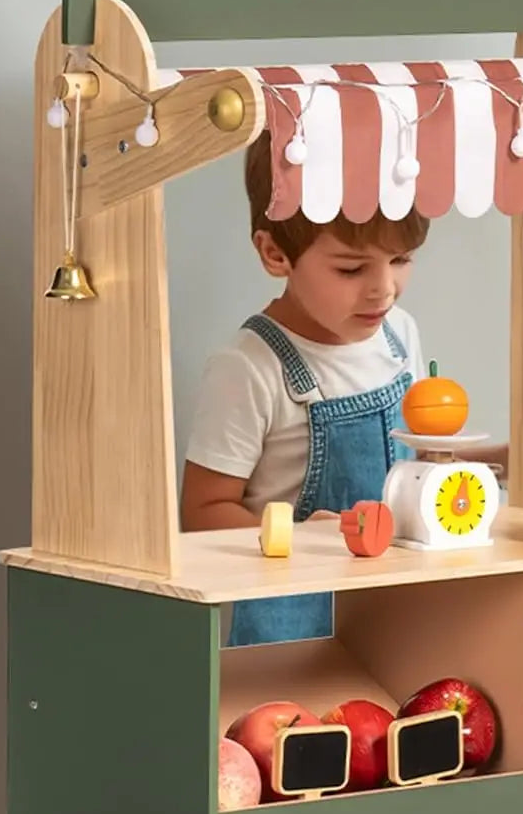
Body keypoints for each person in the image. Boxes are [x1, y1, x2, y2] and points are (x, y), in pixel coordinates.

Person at [181, 131, 506, 647]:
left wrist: (493, 460)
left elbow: (419, 464)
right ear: (274, 252)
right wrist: (303, 538)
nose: (383, 289)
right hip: (297, 620)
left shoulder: (400, 334)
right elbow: (200, 513)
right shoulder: (247, 367)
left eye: (401, 260)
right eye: (352, 268)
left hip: (399, 602)